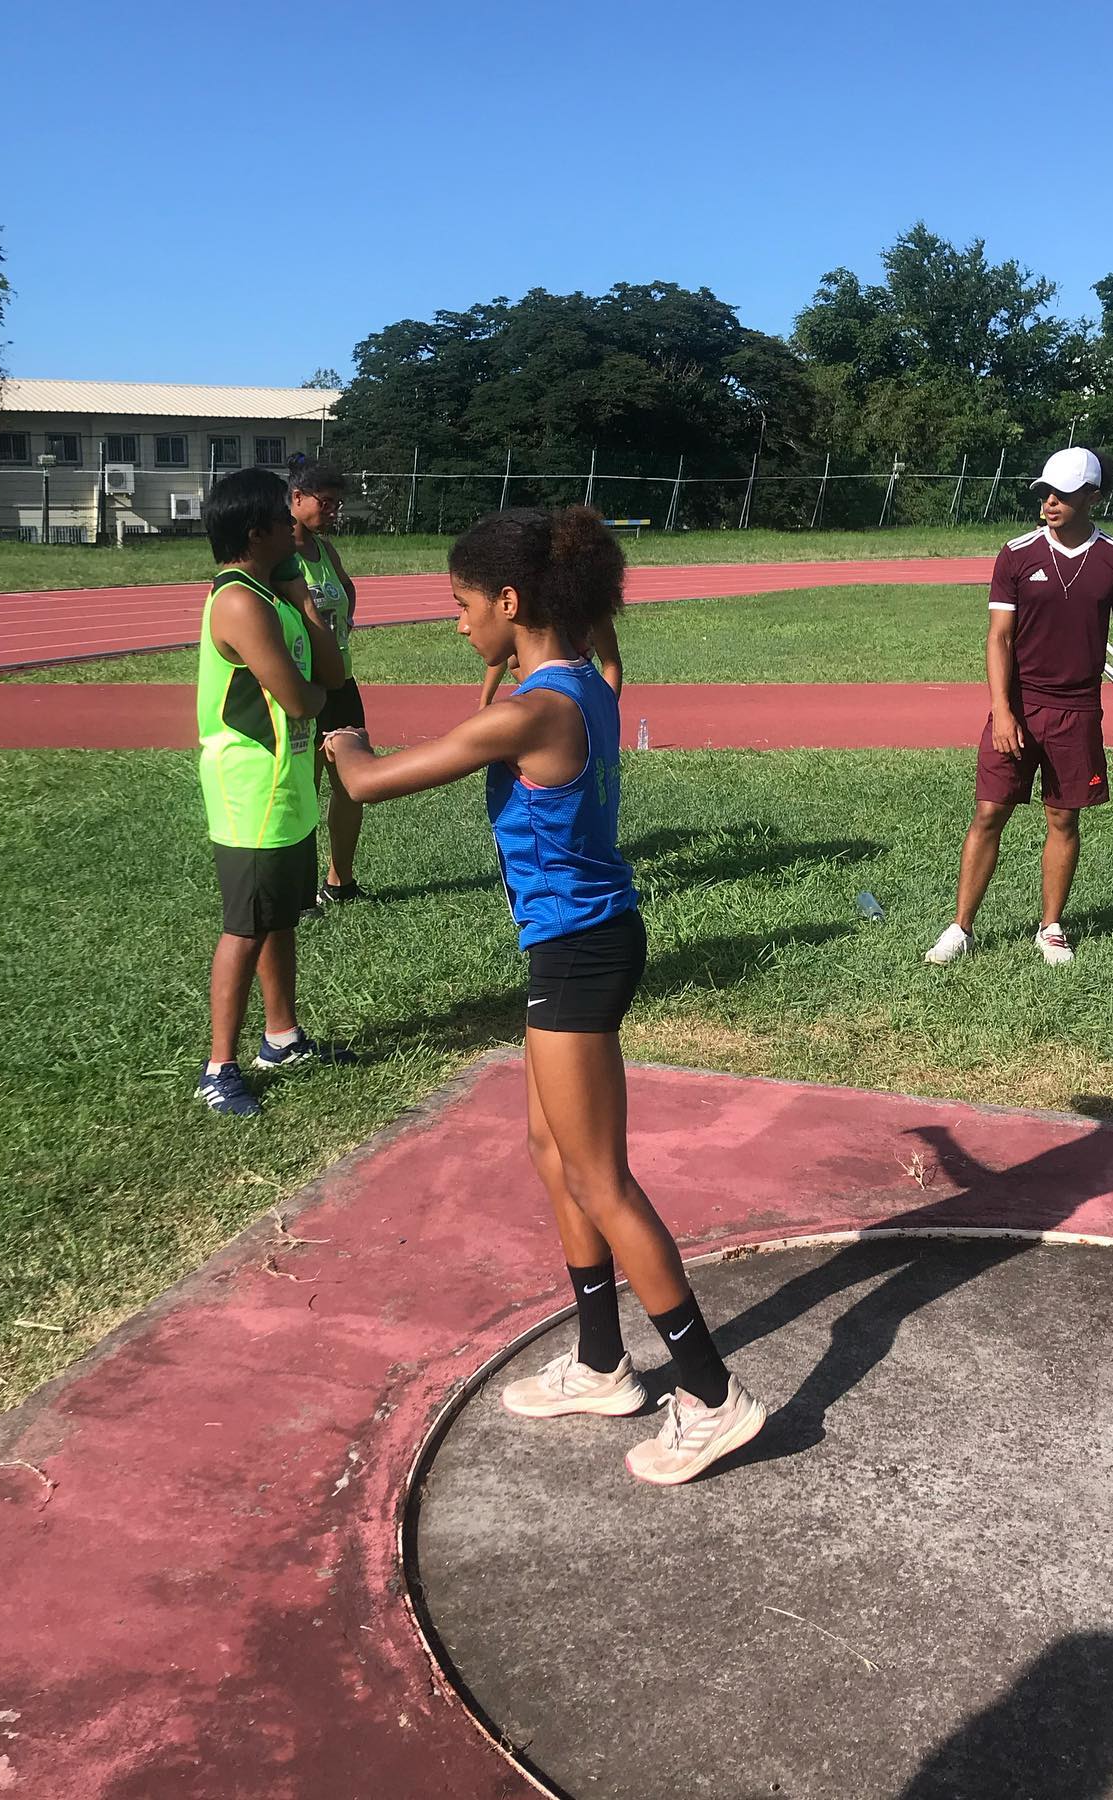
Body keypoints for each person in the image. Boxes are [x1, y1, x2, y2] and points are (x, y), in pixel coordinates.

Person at [324, 505, 767, 1485]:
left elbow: (370, 784)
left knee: (601, 1177)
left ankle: (710, 1393)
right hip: (576, 944)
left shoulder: (532, 710)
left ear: (511, 602)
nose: (457, 623)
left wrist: (338, 733)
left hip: (578, 950)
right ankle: (605, 1363)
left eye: (462, 605)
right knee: (549, 1150)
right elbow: (594, 646)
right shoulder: (583, 683)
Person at [925, 447, 1113, 969]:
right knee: (988, 812)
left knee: (1063, 817)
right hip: (1020, 706)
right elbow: (998, 638)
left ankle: (1050, 928)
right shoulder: (1017, 554)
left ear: (1092, 497)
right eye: (1045, 492)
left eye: (1062, 495)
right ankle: (961, 928)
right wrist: (1002, 712)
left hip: (1078, 711)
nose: (1049, 502)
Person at [194, 468, 357, 1117]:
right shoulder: (236, 600)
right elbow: (302, 695)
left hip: (283, 784)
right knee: (245, 926)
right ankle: (218, 1067)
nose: (296, 528)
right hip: (247, 788)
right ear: (257, 530)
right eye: (282, 520)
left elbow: (335, 672)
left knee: (281, 916)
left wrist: (303, 597)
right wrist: (314, 697)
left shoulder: (279, 594)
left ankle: (281, 1038)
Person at [279, 462, 369, 906]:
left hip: (342, 683)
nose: (333, 510)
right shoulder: (279, 555)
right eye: (325, 502)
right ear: (296, 498)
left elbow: (346, 586)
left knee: (351, 784)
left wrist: (344, 619)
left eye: (337, 503)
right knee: (304, 791)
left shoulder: (324, 550)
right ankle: (299, 892)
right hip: (303, 688)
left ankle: (340, 882)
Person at [477, 613, 623, 709]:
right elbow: (503, 654)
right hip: (533, 702)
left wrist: (607, 709)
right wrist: (484, 702)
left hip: (577, 702)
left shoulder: (594, 613)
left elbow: (611, 664)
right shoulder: (527, 607)